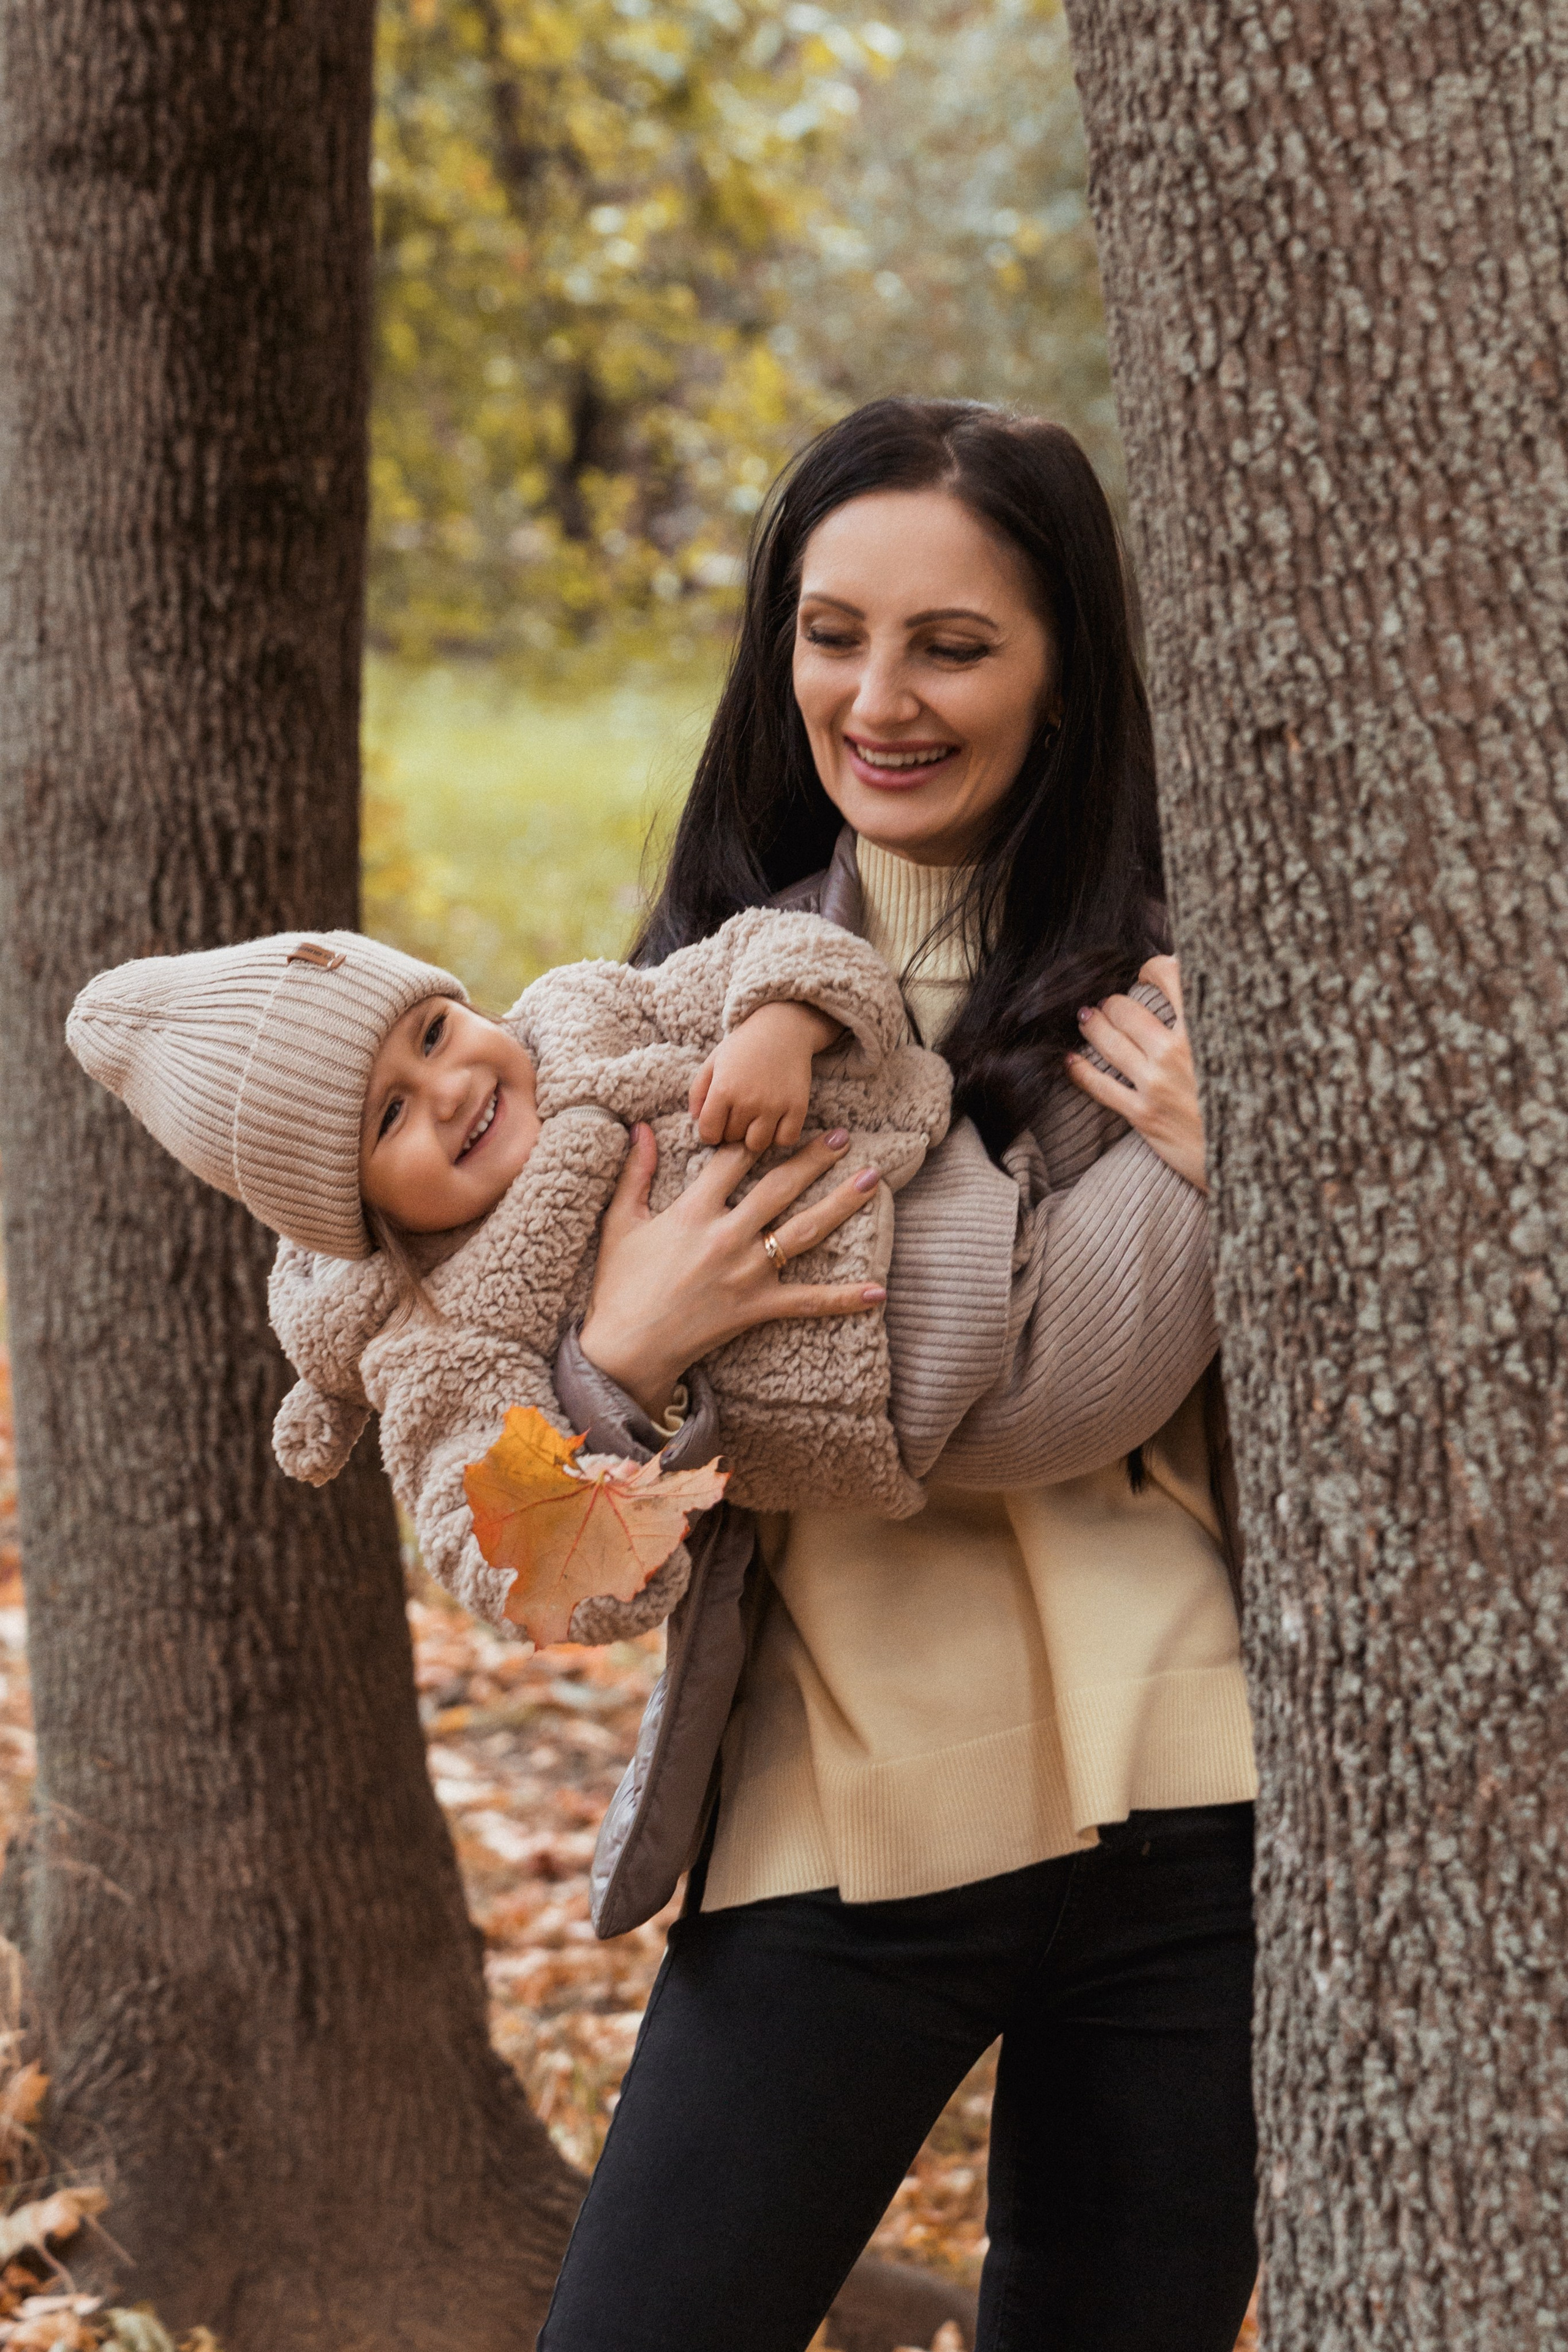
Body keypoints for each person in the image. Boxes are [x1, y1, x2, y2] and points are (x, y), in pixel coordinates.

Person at [538, 398, 1258, 2352]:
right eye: (834, 632)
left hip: (1201, 1808)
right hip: (838, 1821)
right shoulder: (678, 1011)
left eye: (956, 643)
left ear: (1065, 668)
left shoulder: (1198, 994)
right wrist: (619, 1364)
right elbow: (541, 1557)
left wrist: (1265, 1188)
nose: (883, 698)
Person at [65, 904, 948, 1644]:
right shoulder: (440, 1340)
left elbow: (786, 941)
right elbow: (530, 1572)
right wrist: (616, 1379)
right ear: (354, 1209)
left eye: (435, 1032)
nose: (447, 1089)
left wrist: (779, 1021)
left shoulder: (583, 1015)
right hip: (925, 1379)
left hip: (951, 1168)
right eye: (390, 1118)